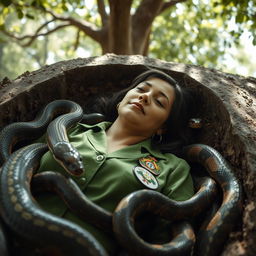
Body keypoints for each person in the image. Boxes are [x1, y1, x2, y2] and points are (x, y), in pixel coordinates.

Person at [35, 68, 196, 255]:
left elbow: (167, 240)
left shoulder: (173, 168)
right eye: (141, 89)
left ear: (163, 127)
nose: (145, 97)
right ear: (121, 101)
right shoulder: (68, 130)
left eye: (159, 102)